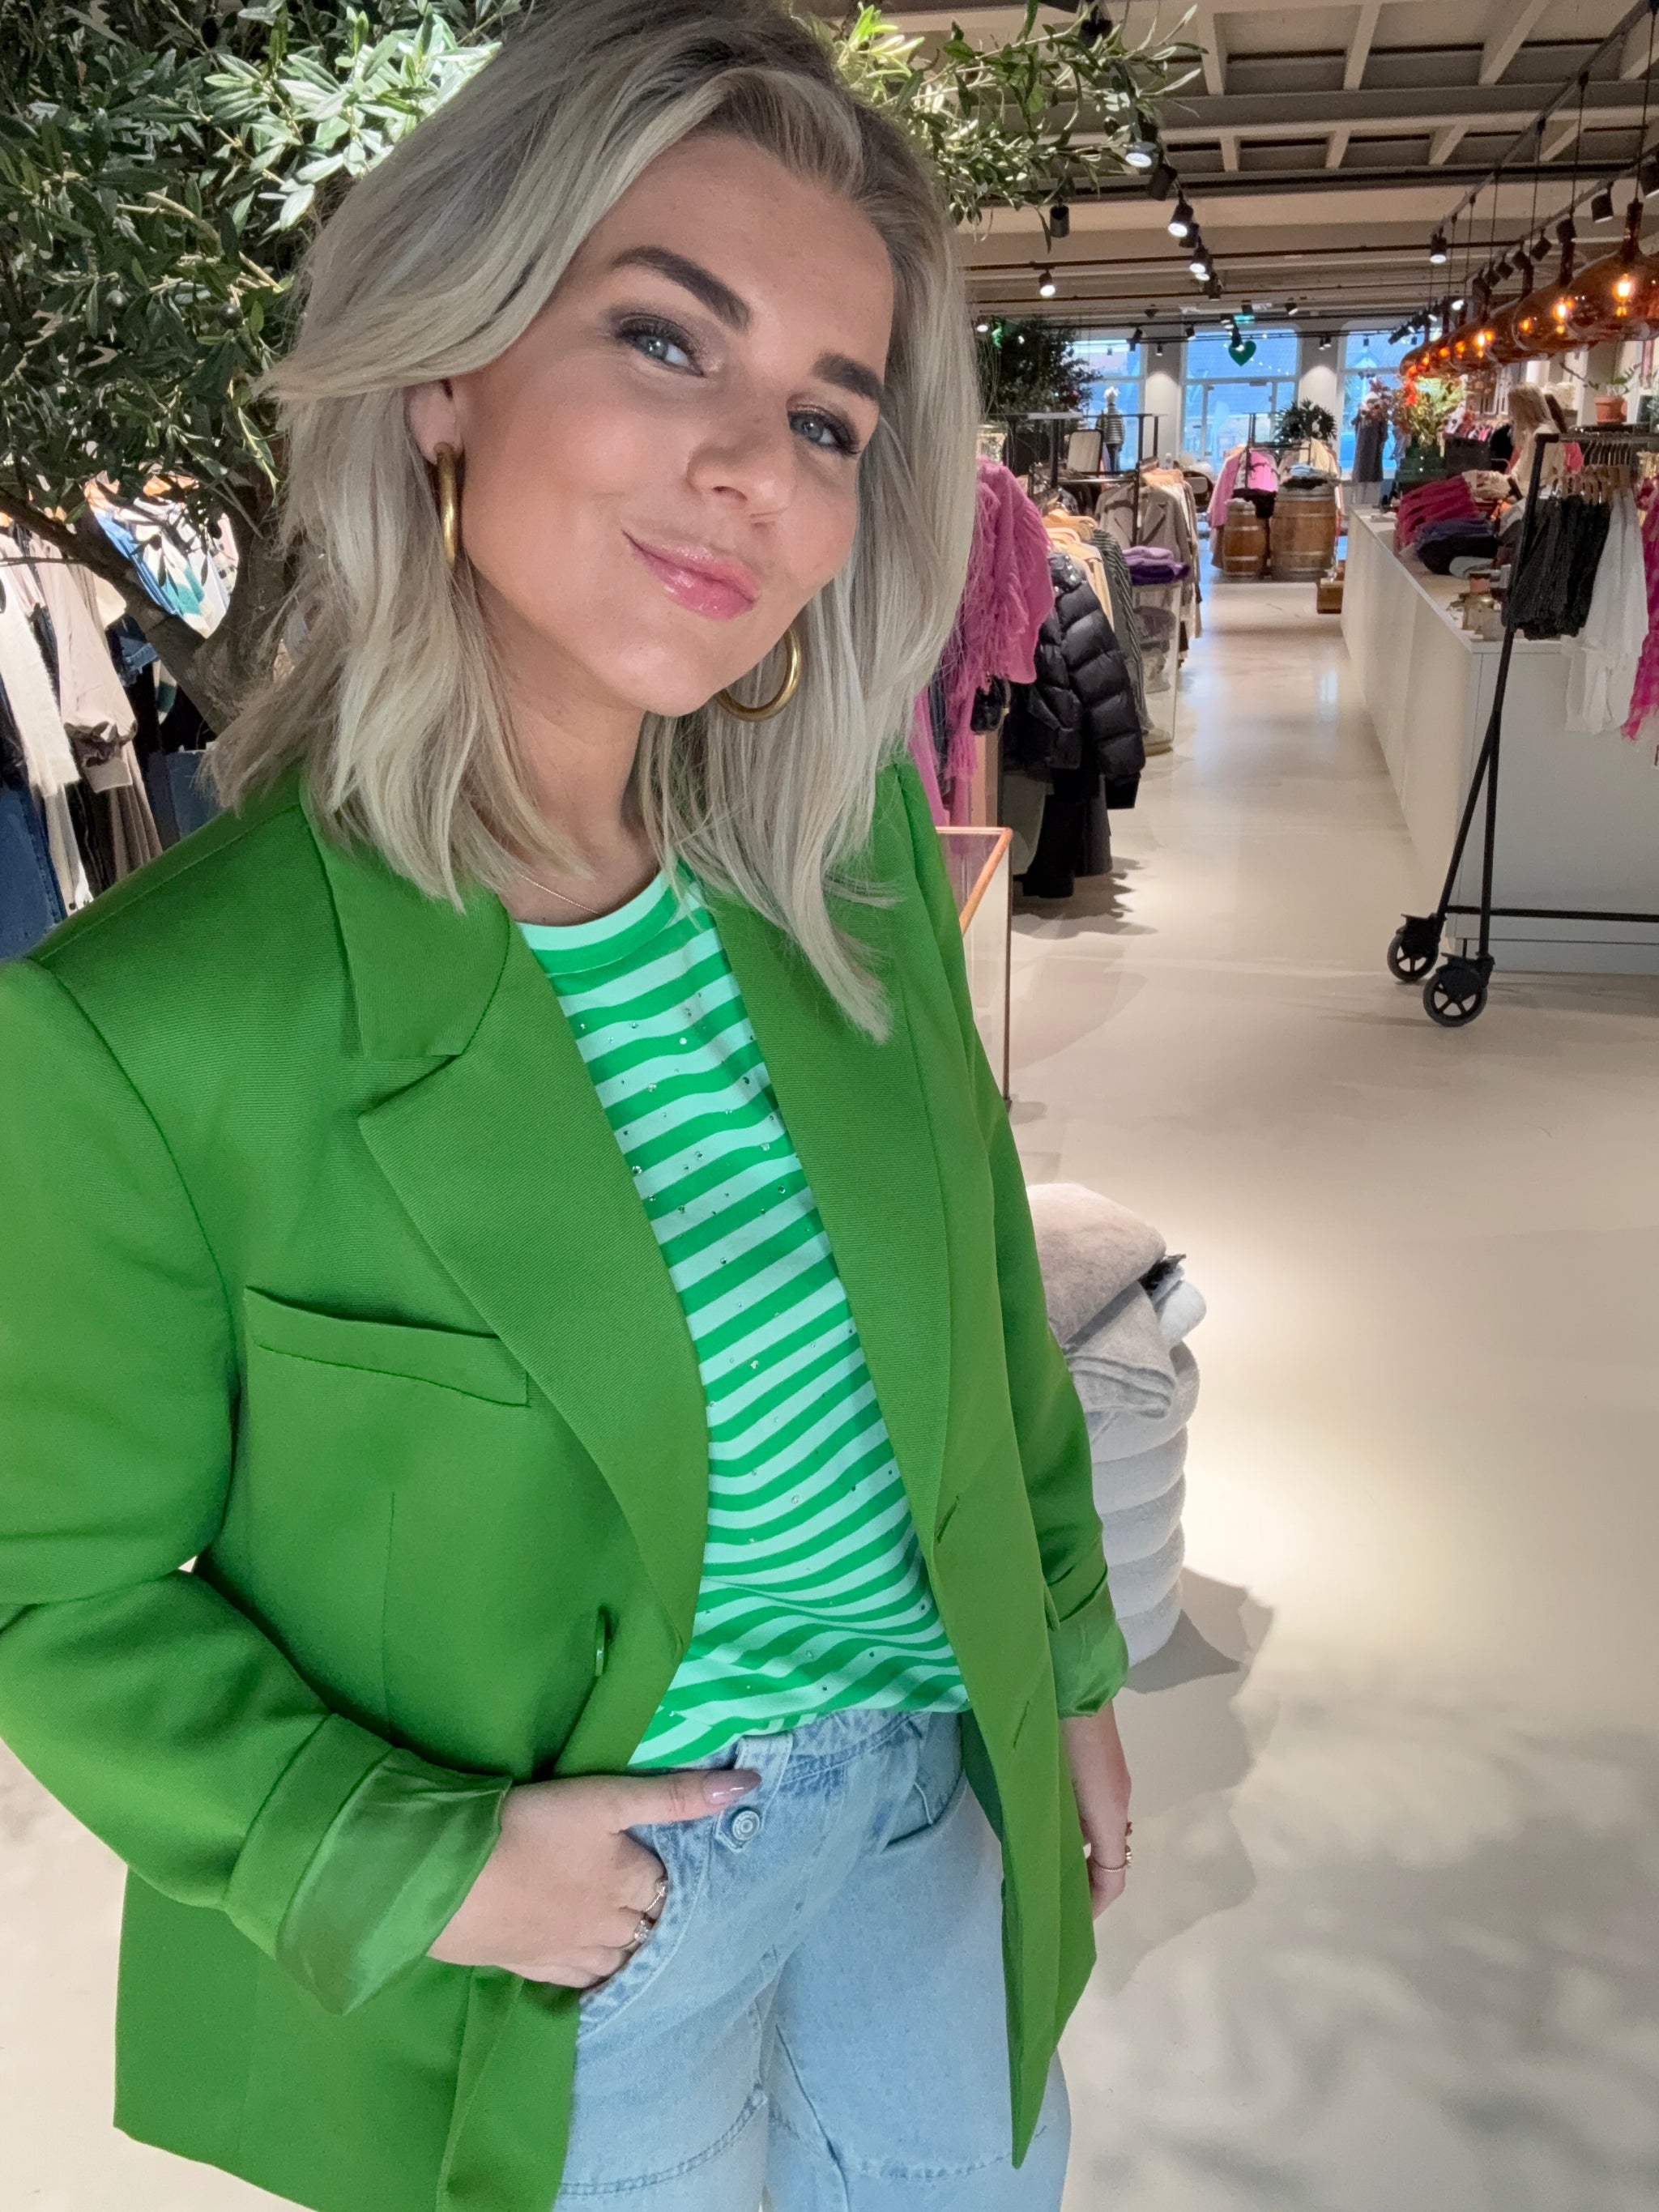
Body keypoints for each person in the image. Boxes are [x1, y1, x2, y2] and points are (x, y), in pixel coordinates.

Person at [0, 6, 1133, 2212]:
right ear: (448, 365)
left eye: (827, 416)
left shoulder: (837, 858)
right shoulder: (160, 1022)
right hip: (579, 1930)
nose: (759, 472)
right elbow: (51, 1595)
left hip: (928, 1791)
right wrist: (415, 1858)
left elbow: (983, 1294)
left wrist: (1068, 1653)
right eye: (663, 339)